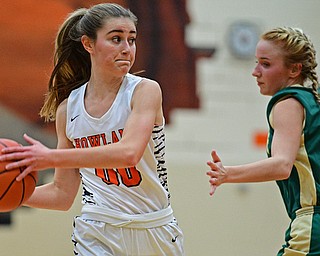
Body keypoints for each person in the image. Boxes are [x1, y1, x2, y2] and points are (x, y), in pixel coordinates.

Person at [0, 3, 184, 256]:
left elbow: (128, 153)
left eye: (132, 40)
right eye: (116, 39)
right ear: (88, 44)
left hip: (154, 228)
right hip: (98, 228)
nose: (126, 49)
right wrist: (7, 191)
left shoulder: (144, 91)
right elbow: (61, 194)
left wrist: (49, 157)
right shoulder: (68, 109)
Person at [206, 27, 320, 255]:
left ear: (295, 69)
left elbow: (282, 165)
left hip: (313, 224)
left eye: (265, 64)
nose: (255, 72)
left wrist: (228, 174)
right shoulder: (311, 101)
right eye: (256, 62)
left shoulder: (288, 102)